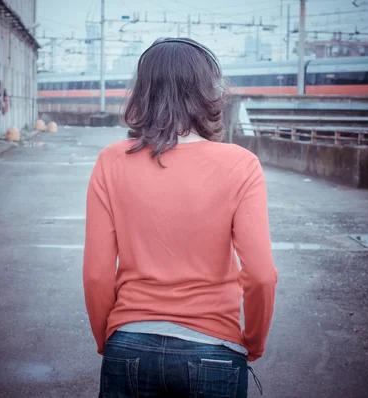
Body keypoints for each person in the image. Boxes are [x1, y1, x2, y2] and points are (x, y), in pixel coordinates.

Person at [83, 37, 278, 398]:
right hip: (215, 346)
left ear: (142, 91)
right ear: (208, 92)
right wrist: (252, 342)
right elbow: (262, 276)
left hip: (128, 342)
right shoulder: (240, 164)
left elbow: (96, 274)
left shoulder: (111, 160)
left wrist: (109, 338)